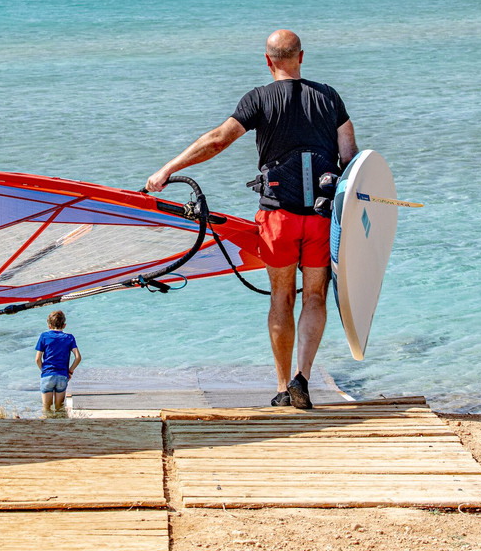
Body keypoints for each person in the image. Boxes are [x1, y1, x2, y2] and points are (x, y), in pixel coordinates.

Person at [146, 30, 357, 409]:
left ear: (267, 60)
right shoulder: (329, 97)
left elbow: (217, 140)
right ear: (301, 57)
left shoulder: (258, 99)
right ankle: (303, 378)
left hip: (278, 217)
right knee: (314, 296)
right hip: (323, 218)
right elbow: (350, 157)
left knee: (281, 296)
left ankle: (281, 388)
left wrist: (167, 169)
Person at [34, 310, 81, 414]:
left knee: (47, 409)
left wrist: (44, 371)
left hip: (47, 375)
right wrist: (70, 371)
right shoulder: (69, 338)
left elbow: (37, 359)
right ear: (64, 325)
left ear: (49, 325)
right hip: (62, 375)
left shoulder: (44, 336)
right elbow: (78, 357)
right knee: (59, 409)